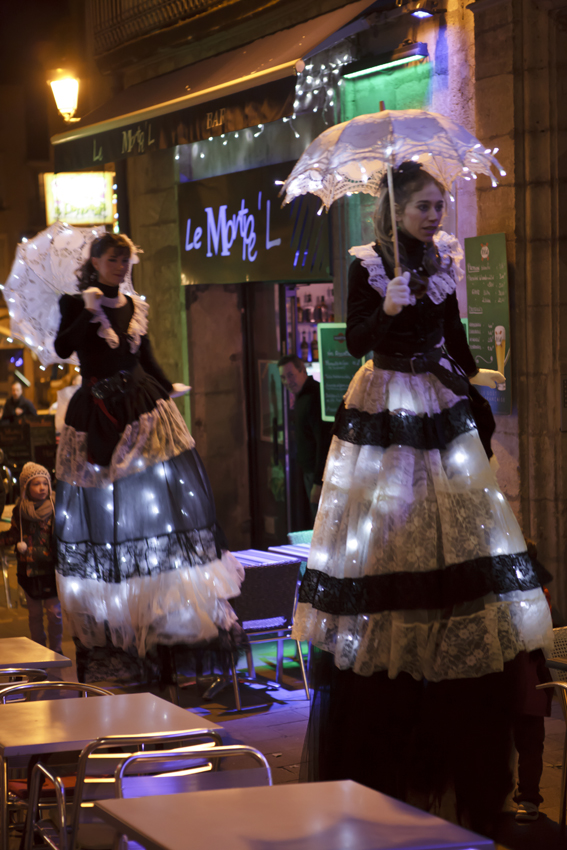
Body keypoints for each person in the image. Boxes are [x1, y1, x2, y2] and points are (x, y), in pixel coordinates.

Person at [291, 162, 553, 836]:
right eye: (423, 208)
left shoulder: (440, 260)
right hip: (386, 400)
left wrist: (472, 379)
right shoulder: (367, 265)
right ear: (395, 210)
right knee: (391, 522)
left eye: (440, 206)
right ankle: (392, 638)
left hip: (436, 395)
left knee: (456, 520)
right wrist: (386, 307)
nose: (435, 217)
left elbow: (455, 335)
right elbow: (354, 344)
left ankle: (447, 632)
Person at [53, 232, 244, 683]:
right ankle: (114, 622)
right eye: (114, 258)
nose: (122, 266)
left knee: (154, 507)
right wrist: (90, 310)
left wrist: (168, 387)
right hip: (96, 412)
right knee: (105, 510)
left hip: (141, 408)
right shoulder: (75, 303)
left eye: (127, 259)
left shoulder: (137, 307)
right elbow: (65, 348)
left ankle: (157, 619)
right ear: (95, 261)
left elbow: (148, 359)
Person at [512, 538, 554, 823]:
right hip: (522, 673)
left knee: (528, 740)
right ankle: (526, 797)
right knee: (528, 740)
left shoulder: (536, 592)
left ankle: (528, 797)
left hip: (526, 673)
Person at [0, 463, 62, 653]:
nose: (42, 488)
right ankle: (40, 650)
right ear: (26, 487)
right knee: (34, 615)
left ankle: (56, 650)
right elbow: (13, 535)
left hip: (51, 571)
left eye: (45, 483)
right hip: (28, 572)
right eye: (36, 484)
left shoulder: (55, 508)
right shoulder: (21, 510)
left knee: (54, 614)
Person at [278, 354, 333, 523]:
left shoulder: (313, 397)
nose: (287, 381)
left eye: (290, 375)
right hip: (311, 473)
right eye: (283, 378)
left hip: (318, 476)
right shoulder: (303, 396)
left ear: (303, 370)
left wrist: (318, 482)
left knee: (322, 523)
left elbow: (323, 442)